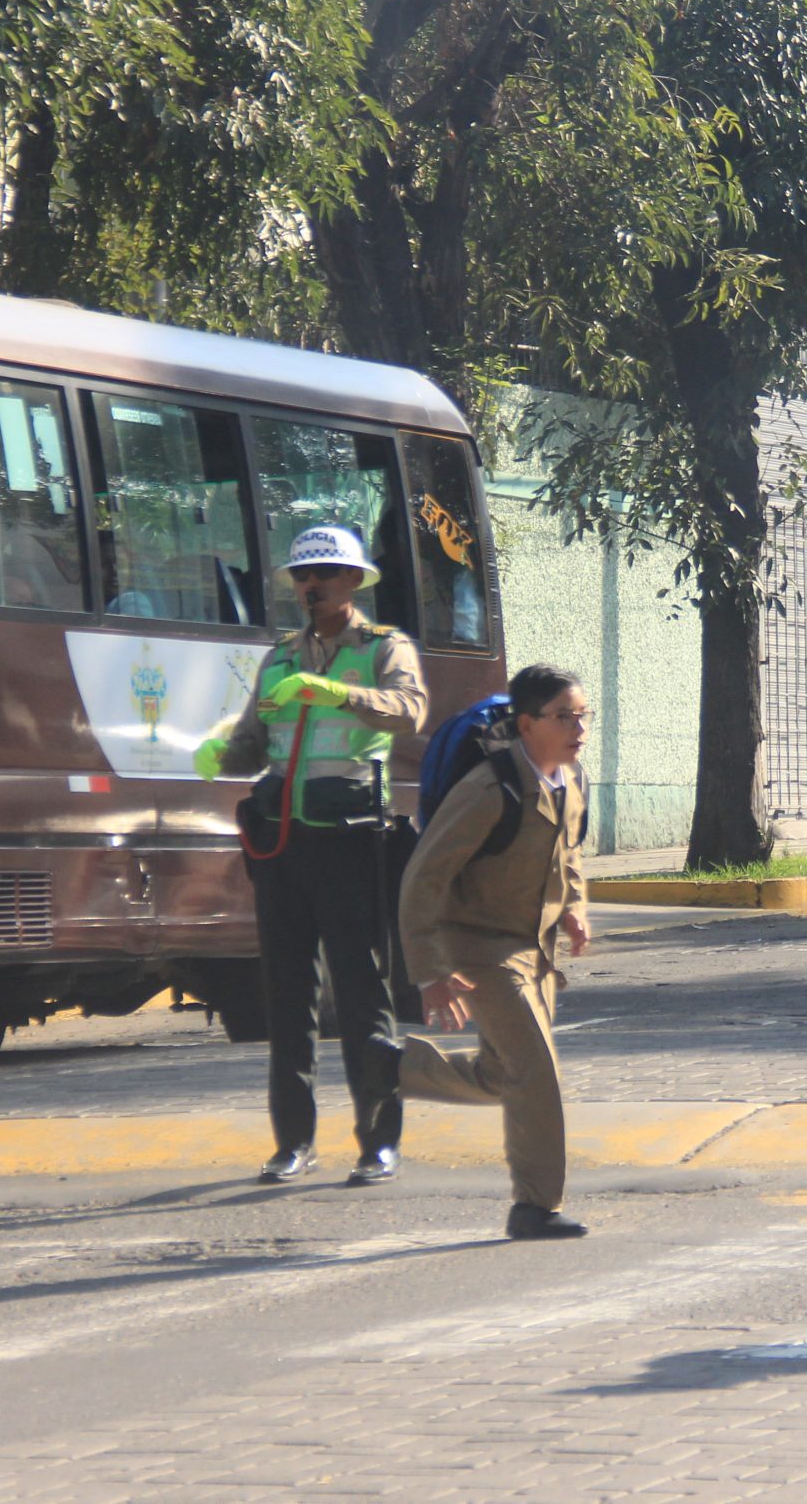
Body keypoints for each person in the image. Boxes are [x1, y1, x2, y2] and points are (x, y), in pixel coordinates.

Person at [197, 525, 426, 1186]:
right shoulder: (276, 660)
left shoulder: (384, 648)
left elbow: (409, 711)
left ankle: (379, 1139)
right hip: (283, 844)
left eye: (325, 571)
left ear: (354, 580)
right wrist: (220, 751)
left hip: (351, 837)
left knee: (363, 991)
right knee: (286, 994)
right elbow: (251, 741)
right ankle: (292, 1141)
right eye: (303, 574)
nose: (311, 583)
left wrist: (336, 694)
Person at [396, 663, 594, 1241]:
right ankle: (535, 1206)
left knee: (503, 1074)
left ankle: (393, 1068)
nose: (578, 728)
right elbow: (422, 879)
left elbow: (569, 854)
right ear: (527, 723)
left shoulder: (569, 779)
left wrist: (576, 907)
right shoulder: (488, 790)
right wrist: (430, 972)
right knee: (535, 1072)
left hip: (536, 950)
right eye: (564, 717)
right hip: (477, 948)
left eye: (583, 716)